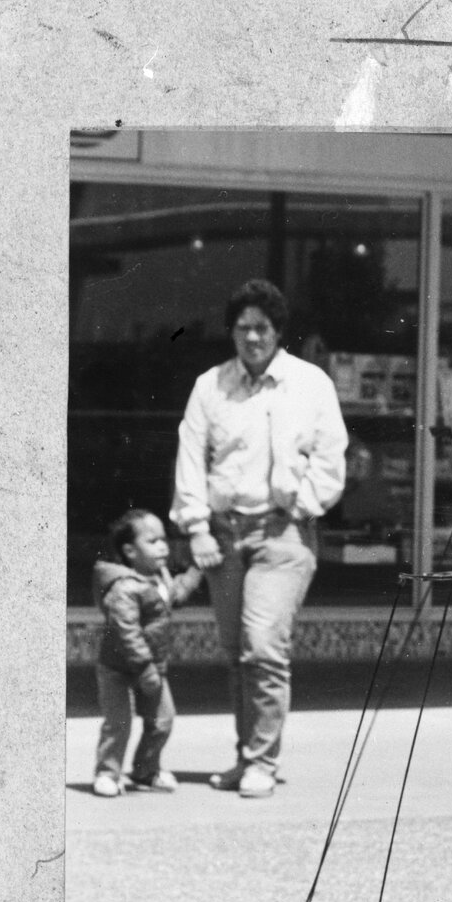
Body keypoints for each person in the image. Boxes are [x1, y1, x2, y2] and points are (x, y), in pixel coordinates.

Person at [172, 279, 349, 798]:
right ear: (232, 331)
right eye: (243, 327)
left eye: (263, 327)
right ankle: (245, 756)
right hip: (223, 535)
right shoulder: (210, 386)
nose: (252, 337)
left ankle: (263, 763)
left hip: (283, 533)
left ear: (278, 331)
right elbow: (191, 457)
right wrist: (197, 528)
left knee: (264, 645)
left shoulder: (310, 383)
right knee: (237, 652)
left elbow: (330, 456)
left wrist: (303, 505)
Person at [92, 509, 203, 797]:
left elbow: (175, 595)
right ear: (130, 551)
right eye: (153, 541)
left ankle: (145, 769)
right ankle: (107, 773)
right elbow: (126, 632)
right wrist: (145, 669)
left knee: (162, 720)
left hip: (150, 666)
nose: (163, 546)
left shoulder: (159, 578)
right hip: (118, 668)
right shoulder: (124, 587)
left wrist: (195, 571)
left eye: (164, 539)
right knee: (118, 722)